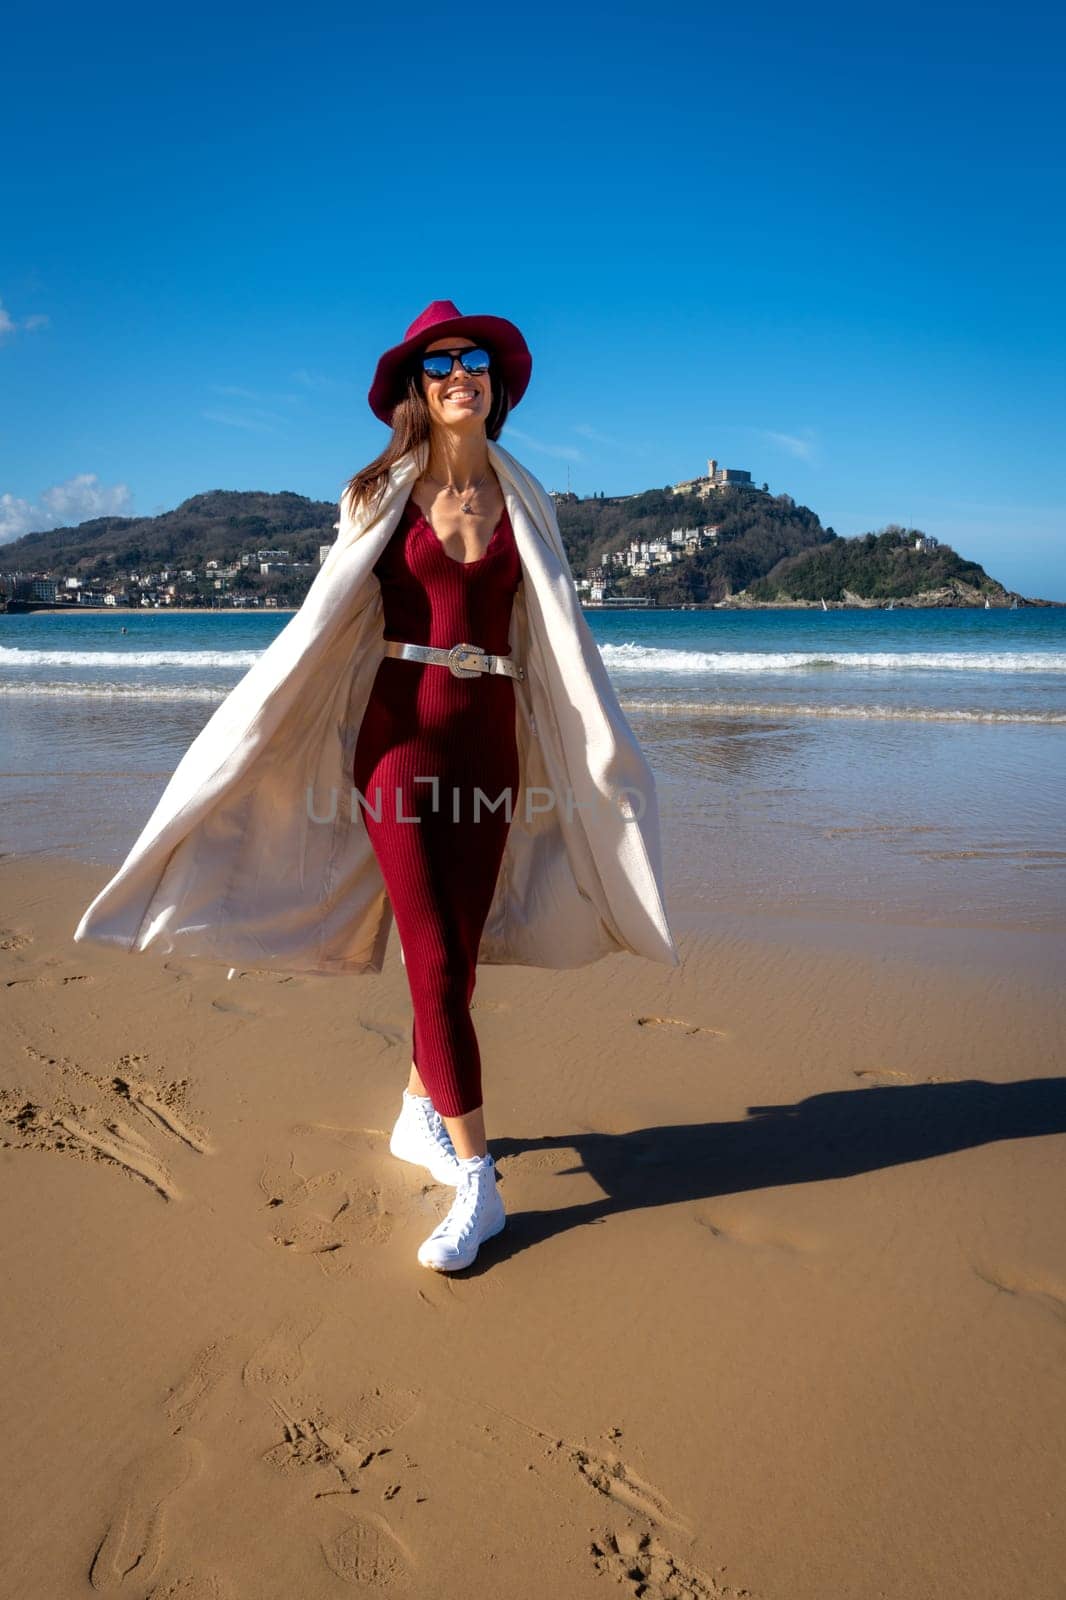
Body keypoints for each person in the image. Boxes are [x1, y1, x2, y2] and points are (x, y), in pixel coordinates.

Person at [349, 302, 533, 1273]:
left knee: (457, 958)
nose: (460, 373)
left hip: (491, 745)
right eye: (439, 364)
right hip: (398, 742)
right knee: (427, 954)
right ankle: (480, 1182)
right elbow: (327, 619)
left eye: (475, 361)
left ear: (494, 387)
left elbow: (555, 642)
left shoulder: (528, 500)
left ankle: (415, 1110)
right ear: (418, 392)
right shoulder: (377, 494)